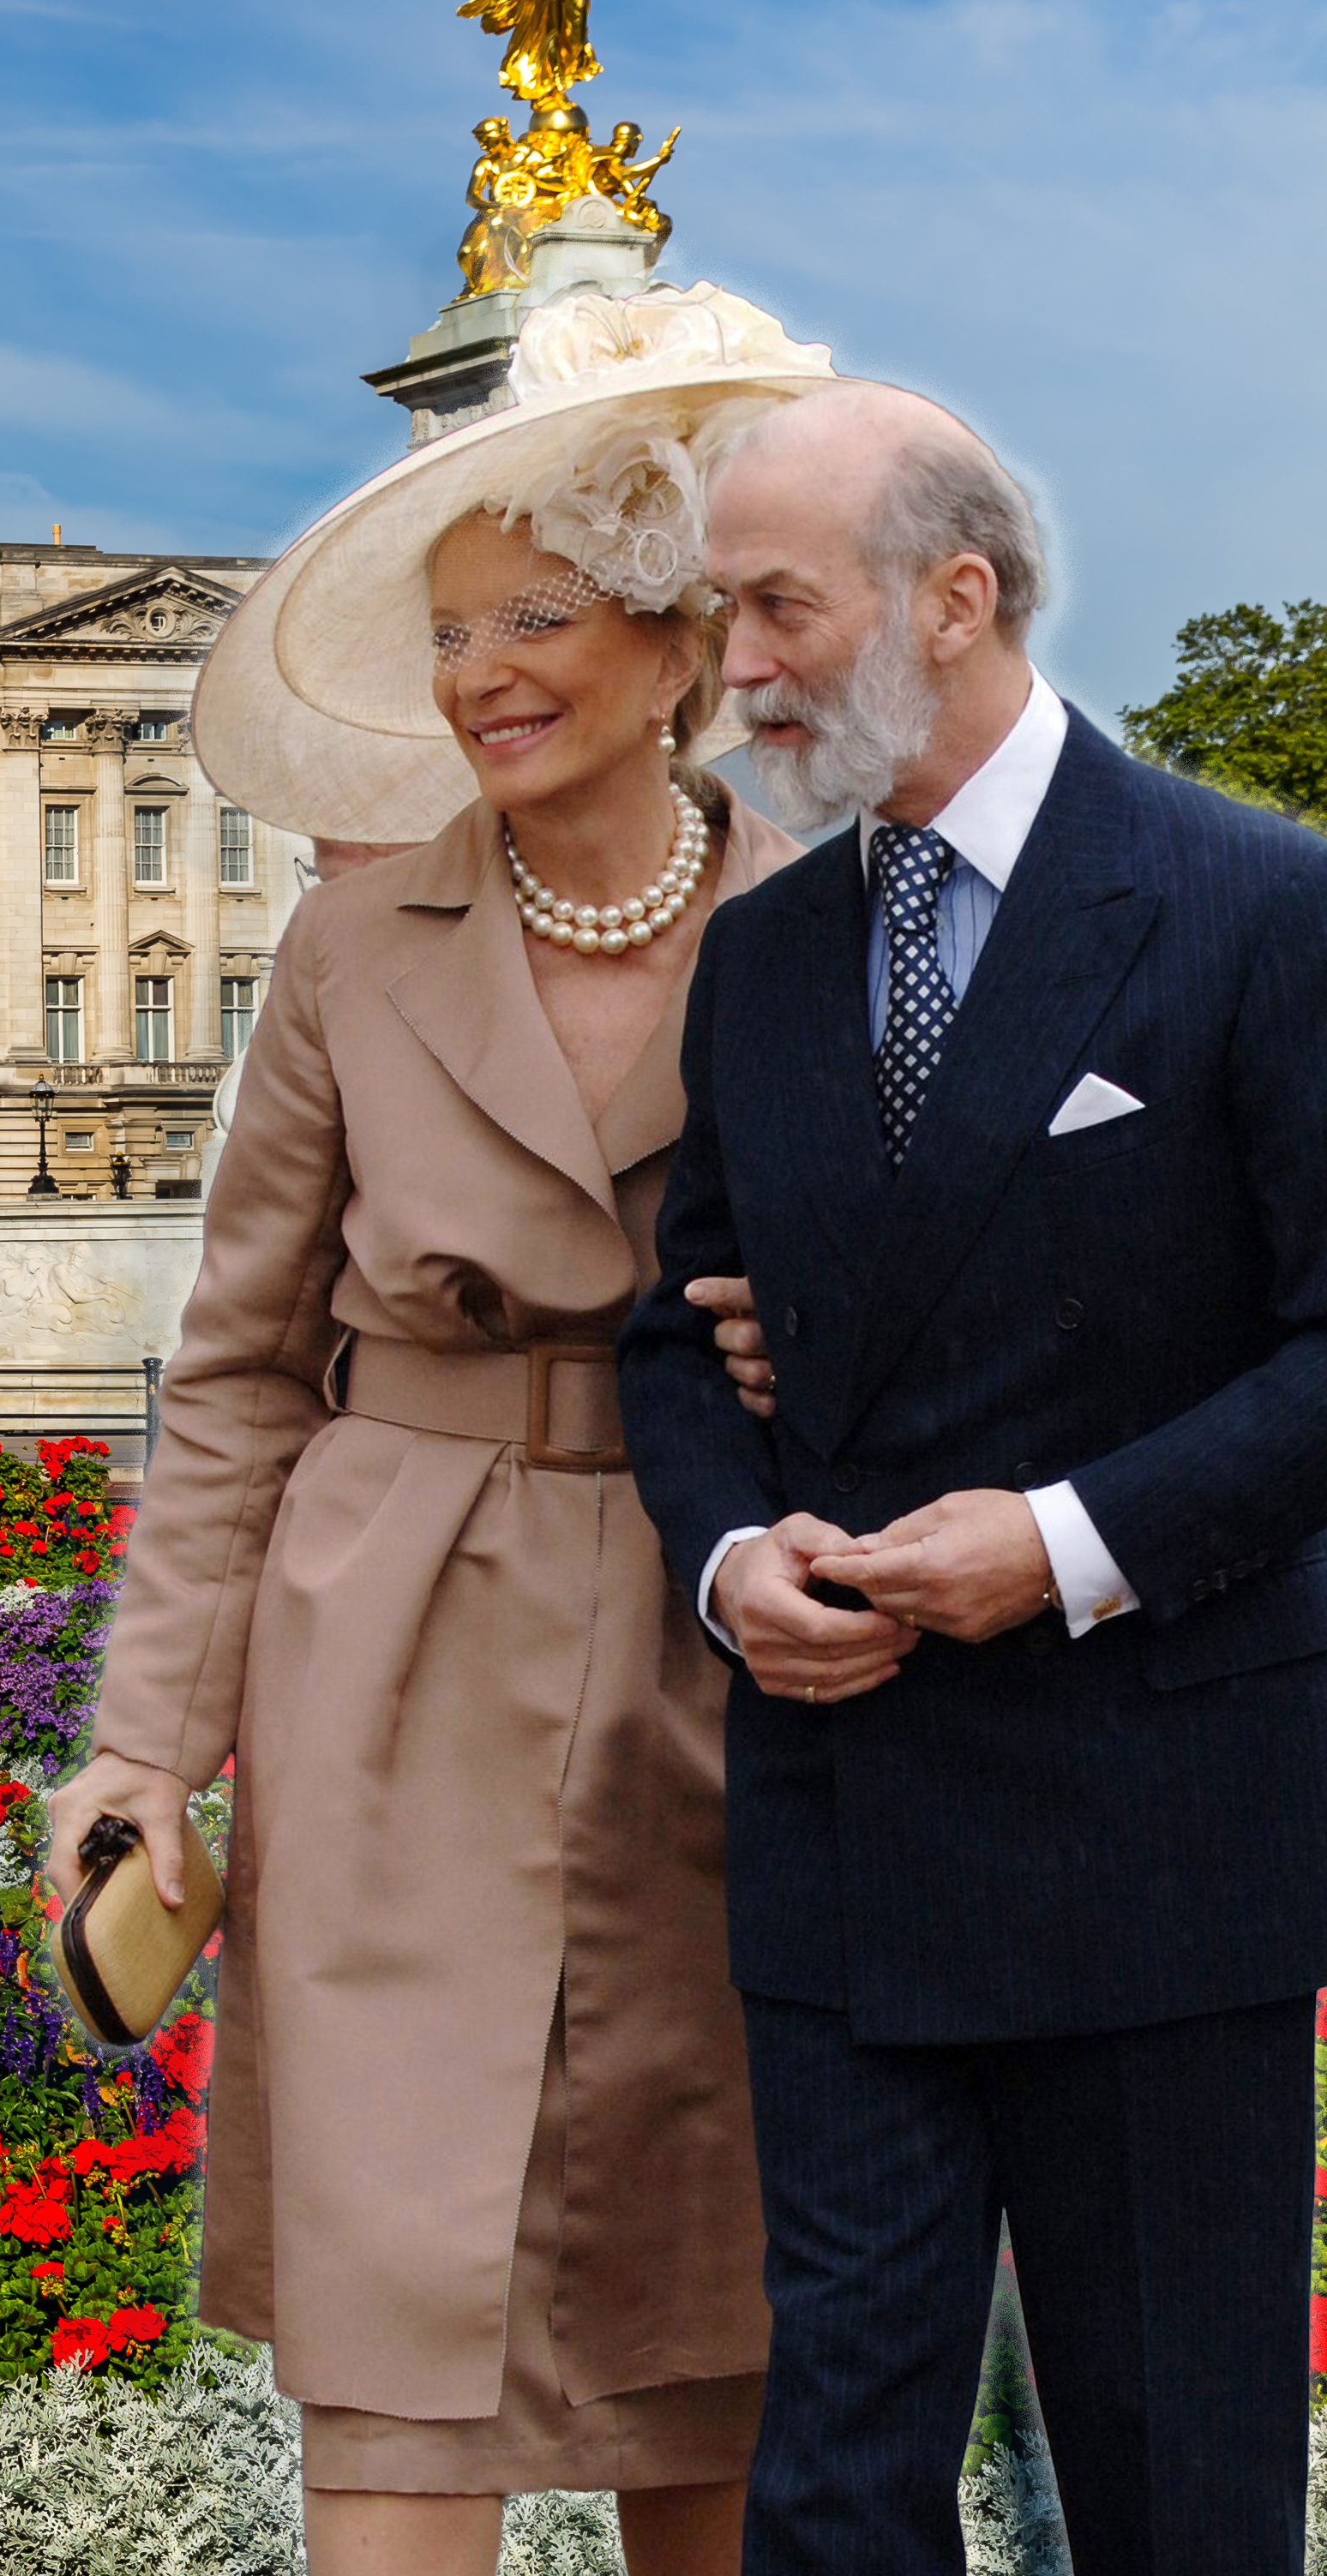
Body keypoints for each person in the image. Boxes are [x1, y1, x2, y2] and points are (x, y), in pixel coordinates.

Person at [70, 283, 834, 2576]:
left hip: (734, 1651)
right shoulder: (348, 945)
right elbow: (230, 1373)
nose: (485, 672)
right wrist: (138, 1754)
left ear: (682, 642)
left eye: (540, 619)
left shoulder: (838, 928)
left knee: (726, 2309)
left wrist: (845, 1375)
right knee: (400, 2326)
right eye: (455, 631)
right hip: (388, 1644)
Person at [615, 374, 1327, 2573]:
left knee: (1172, 2474)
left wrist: (1065, 1544)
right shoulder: (760, 959)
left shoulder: (1254, 902)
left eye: (773, 608)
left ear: (958, 594)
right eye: (723, 612)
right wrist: (735, 1561)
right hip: (845, 1823)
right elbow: (677, 1320)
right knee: (834, 2475)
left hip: (1158, 1827)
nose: (731, 671)